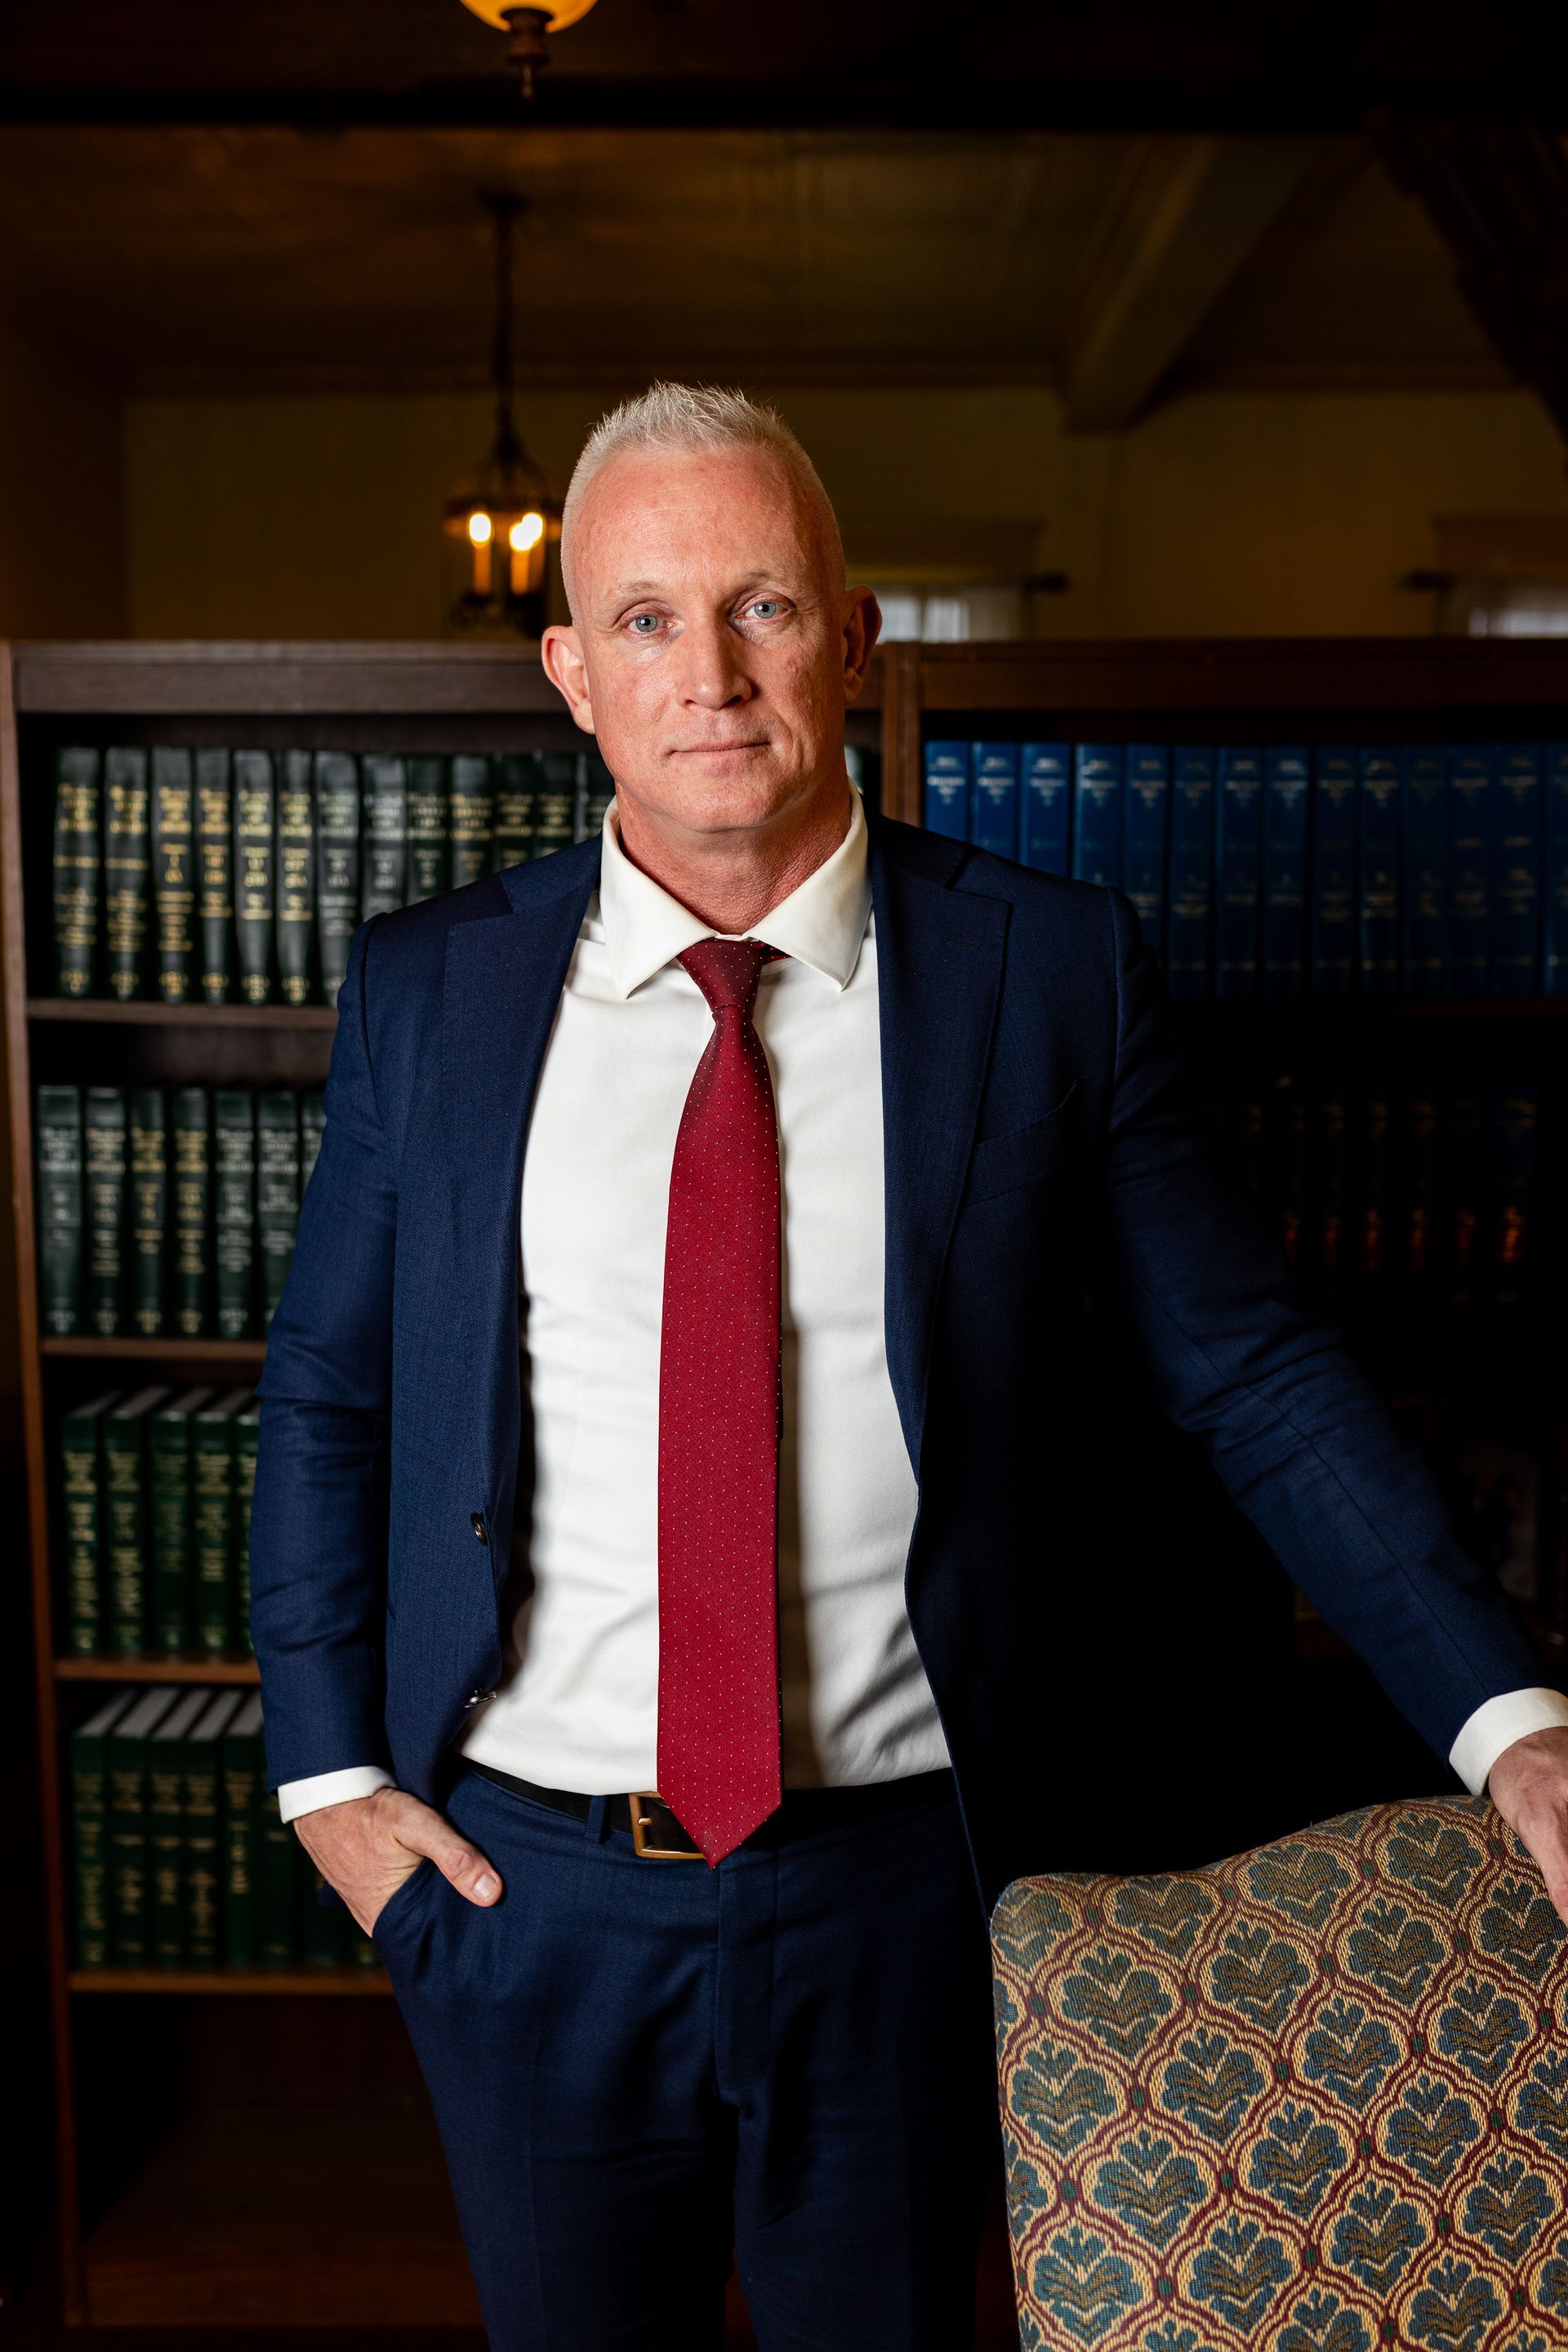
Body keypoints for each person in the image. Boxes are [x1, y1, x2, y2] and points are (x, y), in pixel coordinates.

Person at [250, 383, 1568, 2352]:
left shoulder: (1051, 969)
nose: (709, 674)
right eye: (645, 619)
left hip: (912, 1893)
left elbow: (1254, 1378)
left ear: (854, 639)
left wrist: (1512, 1721)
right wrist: (333, 1782)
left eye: (763, 606)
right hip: (526, 1903)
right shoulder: (430, 993)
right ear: (570, 673)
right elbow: (329, 1389)